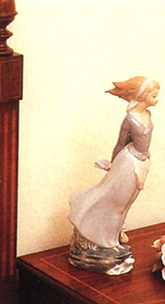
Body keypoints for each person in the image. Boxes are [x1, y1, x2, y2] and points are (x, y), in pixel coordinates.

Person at [68, 76, 160, 273]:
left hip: (142, 163)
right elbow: (120, 142)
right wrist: (112, 163)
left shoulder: (147, 114)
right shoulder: (130, 120)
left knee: (125, 205)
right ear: (142, 96)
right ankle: (105, 241)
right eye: (154, 95)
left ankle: (114, 240)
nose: (157, 98)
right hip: (128, 164)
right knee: (116, 204)